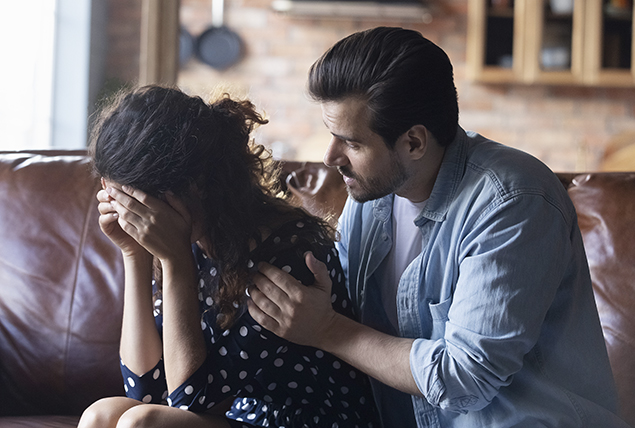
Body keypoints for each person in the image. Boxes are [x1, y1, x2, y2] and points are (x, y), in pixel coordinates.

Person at [247, 27, 630, 427]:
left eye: (352, 144)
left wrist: (327, 329)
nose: (330, 158)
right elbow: (339, 308)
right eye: (331, 136)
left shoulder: (513, 201)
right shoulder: (370, 196)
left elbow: (466, 377)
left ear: (414, 142)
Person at [77, 85, 379, 428]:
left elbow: (188, 400)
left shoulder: (288, 256)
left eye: (138, 202)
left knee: (144, 423)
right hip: (246, 419)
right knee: (100, 415)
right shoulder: (187, 239)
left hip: (313, 422)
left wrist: (176, 263)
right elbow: (143, 387)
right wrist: (134, 254)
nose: (131, 216)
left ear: (197, 185)